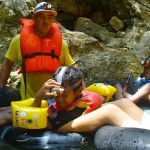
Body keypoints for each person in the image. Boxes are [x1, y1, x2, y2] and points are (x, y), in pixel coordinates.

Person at [31, 66, 150, 132]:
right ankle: (143, 134)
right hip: (64, 125)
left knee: (124, 103)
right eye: (56, 94)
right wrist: (38, 97)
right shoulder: (56, 114)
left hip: (80, 115)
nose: (59, 99)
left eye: (65, 95)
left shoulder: (83, 99)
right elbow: (34, 124)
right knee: (110, 110)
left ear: (78, 91)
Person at [0, 2, 76, 100]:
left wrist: (82, 90)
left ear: (54, 20)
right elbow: (7, 64)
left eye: (50, 17)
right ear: (34, 18)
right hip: (28, 100)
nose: (46, 21)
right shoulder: (18, 41)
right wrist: (1, 88)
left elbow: (73, 68)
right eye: (41, 16)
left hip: (53, 99)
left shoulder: (61, 44)